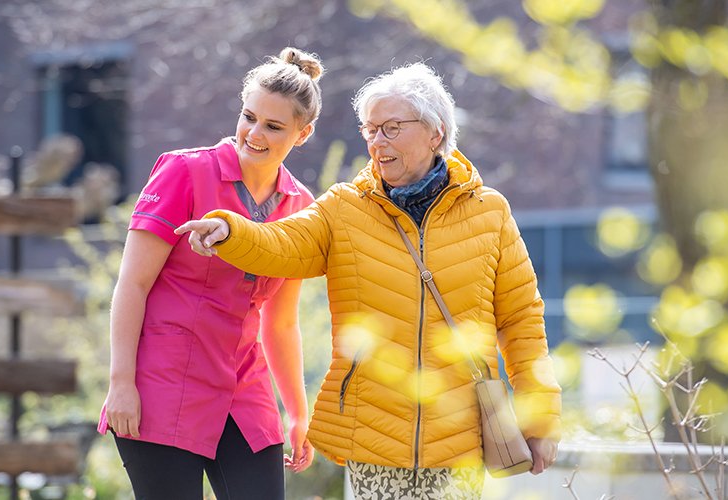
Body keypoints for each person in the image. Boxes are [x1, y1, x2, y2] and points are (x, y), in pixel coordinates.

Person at [175, 62, 561, 499]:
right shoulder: (344, 207)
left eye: (391, 128)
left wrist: (541, 419)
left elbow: (522, 321)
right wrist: (230, 229)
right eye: (370, 129)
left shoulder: (489, 213)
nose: (377, 142)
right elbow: (282, 242)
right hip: (372, 435)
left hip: (460, 439)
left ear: (436, 133)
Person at [98, 47, 324, 500]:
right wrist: (121, 383)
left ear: (303, 134)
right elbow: (133, 284)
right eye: (249, 116)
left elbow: (281, 321)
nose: (254, 133)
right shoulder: (183, 171)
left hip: (244, 390)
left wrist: (299, 412)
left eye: (273, 126)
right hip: (161, 384)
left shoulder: (301, 207)